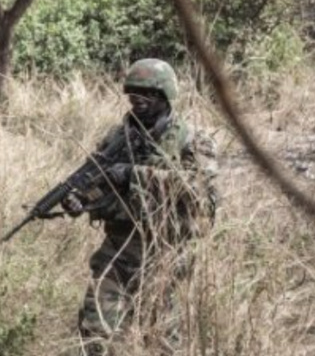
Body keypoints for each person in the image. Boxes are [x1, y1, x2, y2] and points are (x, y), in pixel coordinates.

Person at [62, 58, 218, 355]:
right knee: (96, 332)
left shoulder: (192, 140)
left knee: (160, 339)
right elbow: (99, 180)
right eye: (133, 93)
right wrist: (81, 200)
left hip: (167, 251)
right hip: (118, 249)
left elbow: (201, 192)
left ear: (164, 96)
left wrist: (135, 174)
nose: (138, 100)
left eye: (147, 93)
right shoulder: (116, 138)